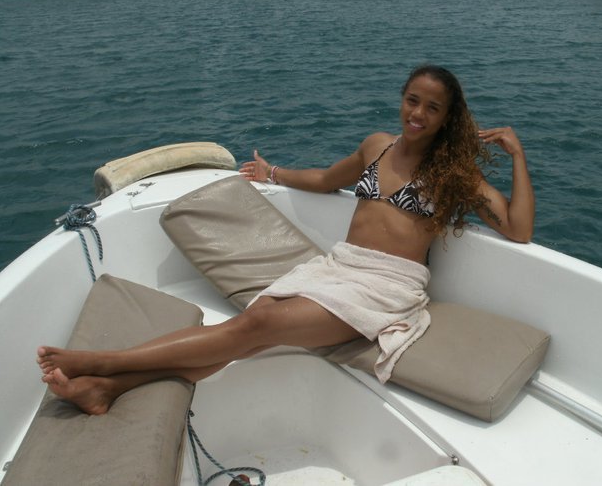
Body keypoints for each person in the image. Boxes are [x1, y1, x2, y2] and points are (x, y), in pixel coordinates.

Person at [37, 65, 534, 415]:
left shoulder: (454, 174)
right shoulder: (377, 146)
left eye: (432, 107)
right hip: (341, 266)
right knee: (253, 335)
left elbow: (518, 227)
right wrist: (272, 172)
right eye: (412, 100)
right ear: (401, 98)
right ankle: (106, 388)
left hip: (387, 287)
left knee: (260, 321)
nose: (418, 113)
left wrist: (516, 156)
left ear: (448, 117)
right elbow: (326, 180)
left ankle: (104, 361)